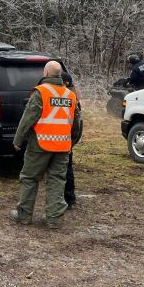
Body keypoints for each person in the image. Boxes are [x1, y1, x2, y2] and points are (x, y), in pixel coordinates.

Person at [10, 61, 83, 228]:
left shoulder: (41, 92)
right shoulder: (70, 96)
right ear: (59, 75)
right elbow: (77, 123)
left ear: (45, 73)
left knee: (29, 178)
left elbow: (28, 117)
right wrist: (72, 141)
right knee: (57, 180)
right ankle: (54, 219)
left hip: (40, 144)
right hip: (63, 146)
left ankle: (24, 215)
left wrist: (18, 140)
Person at [61, 71, 83, 207]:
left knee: (65, 170)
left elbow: (76, 124)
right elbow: (77, 125)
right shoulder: (73, 96)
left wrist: (71, 141)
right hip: (68, 140)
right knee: (67, 169)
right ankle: (70, 197)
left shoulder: (68, 96)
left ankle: (67, 198)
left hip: (63, 140)